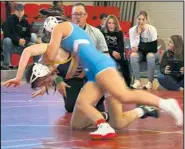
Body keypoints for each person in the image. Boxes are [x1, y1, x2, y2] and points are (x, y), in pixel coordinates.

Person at [3, 16, 183, 140]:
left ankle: (166, 104)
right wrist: (51, 78)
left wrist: (21, 77)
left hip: (101, 66)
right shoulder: (66, 45)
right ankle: (139, 111)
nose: (49, 34)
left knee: (125, 96)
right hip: (93, 74)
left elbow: (34, 51)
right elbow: (68, 67)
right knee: (85, 122)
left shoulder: (61, 28)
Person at [1, 3, 40, 70]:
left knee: (35, 46)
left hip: (22, 45)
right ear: (15, 11)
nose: (20, 12)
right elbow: (7, 34)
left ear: (24, 11)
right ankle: (6, 64)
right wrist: (18, 40)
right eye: (18, 10)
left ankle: (37, 66)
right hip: (12, 45)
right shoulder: (9, 21)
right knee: (7, 40)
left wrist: (25, 40)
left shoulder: (25, 22)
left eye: (21, 10)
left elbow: (28, 35)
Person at [129, 10, 158, 89]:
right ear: (136, 19)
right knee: (133, 55)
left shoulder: (152, 29)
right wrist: (138, 34)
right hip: (140, 53)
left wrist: (141, 47)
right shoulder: (132, 30)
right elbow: (134, 48)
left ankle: (150, 82)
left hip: (152, 53)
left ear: (146, 20)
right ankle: (137, 81)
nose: (141, 21)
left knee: (150, 56)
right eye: (139, 19)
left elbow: (153, 48)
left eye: (143, 19)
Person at [101, 15, 131, 87]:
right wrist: (112, 52)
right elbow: (103, 46)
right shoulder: (102, 32)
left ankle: (127, 84)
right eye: (109, 23)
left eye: (113, 23)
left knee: (125, 63)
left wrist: (119, 54)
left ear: (116, 24)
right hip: (106, 52)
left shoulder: (119, 32)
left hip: (117, 53)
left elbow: (121, 46)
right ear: (106, 24)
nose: (111, 25)